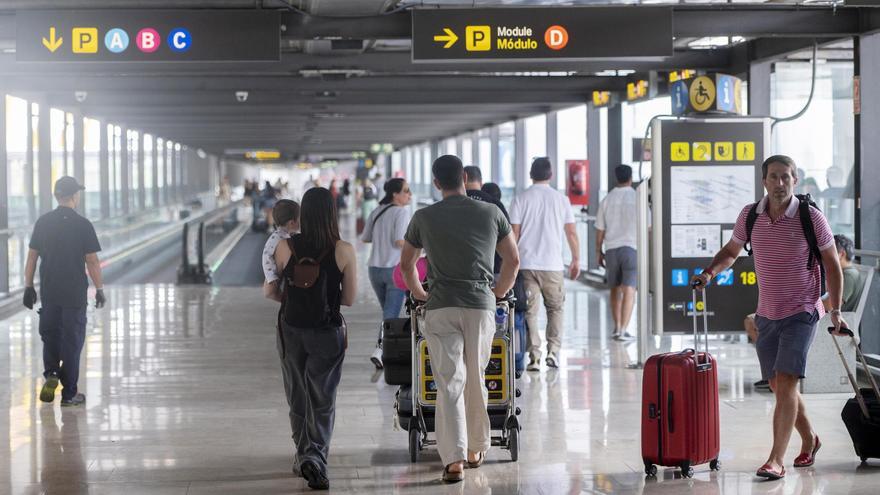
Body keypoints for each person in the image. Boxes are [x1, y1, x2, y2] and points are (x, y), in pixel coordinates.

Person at [692, 155, 847, 480]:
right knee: (778, 384)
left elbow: (832, 263)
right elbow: (732, 252)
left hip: (803, 310)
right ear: (764, 181)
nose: (780, 183)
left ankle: (776, 459)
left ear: (795, 180)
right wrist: (709, 273)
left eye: (786, 177)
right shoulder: (750, 216)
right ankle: (810, 439)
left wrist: (834, 309)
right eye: (774, 177)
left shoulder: (811, 218)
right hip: (768, 312)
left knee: (788, 380)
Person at [400, 155, 520, 483]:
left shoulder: (424, 217)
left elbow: (407, 264)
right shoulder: (492, 213)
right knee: (475, 377)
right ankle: (476, 448)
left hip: (440, 306)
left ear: (437, 183)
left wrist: (420, 293)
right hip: (480, 306)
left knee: (449, 381)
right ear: (465, 177)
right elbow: (513, 259)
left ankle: (453, 459)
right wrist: (497, 292)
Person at [267, 187, 357, 490]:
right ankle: (315, 458)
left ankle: (302, 454)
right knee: (322, 397)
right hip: (327, 331)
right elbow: (350, 300)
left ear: (302, 213)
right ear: (332, 213)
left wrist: (295, 299)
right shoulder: (344, 249)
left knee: (297, 393)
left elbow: (272, 289)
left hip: (291, 328)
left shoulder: (284, 246)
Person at [23, 176, 106, 407]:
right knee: (72, 340)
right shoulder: (83, 225)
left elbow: (31, 257)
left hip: (49, 291)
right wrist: (99, 289)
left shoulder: (43, 222)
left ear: (56, 196)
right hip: (74, 294)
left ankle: (51, 373)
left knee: (50, 336)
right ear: (74, 196)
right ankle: (69, 393)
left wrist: (28, 287)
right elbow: (92, 261)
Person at [509, 157, 580, 371]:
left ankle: (535, 356)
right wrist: (576, 259)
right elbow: (571, 232)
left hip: (526, 264)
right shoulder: (561, 200)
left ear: (531, 174)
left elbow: (514, 233)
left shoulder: (520, 199)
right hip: (553, 264)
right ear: (551, 175)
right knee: (555, 308)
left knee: (530, 311)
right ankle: (554, 352)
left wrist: (512, 262)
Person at [361, 178, 413, 369]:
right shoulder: (401, 213)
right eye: (406, 191)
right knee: (390, 315)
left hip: (374, 269)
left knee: (388, 313)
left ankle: (388, 349)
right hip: (393, 270)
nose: (410, 195)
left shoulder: (376, 211)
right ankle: (381, 350)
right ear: (395, 194)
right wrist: (421, 248)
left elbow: (365, 238)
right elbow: (400, 241)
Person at [596, 164, 639, 341]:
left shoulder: (607, 199)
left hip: (612, 249)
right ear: (630, 178)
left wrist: (598, 251)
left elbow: (600, 229)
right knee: (629, 289)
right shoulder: (637, 198)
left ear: (616, 178)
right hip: (631, 248)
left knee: (614, 289)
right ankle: (623, 330)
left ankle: (616, 327)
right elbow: (649, 226)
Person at [464, 166, 509, 275]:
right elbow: (510, 246)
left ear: (463, 179)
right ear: (481, 182)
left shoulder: (451, 204)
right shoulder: (495, 204)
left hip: (459, 272)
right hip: (492, 268)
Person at [262, 200, 301, 302]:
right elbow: (267, 258)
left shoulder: (280, 235)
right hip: (272, 275)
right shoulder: (281, 240)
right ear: (292, 223)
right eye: (300, 218)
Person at [834, 234, 864, 312]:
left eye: (831, 253)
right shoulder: (845, 272)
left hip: (835, 320)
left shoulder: (849, 275)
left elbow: (830, 305)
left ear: (842, 254)